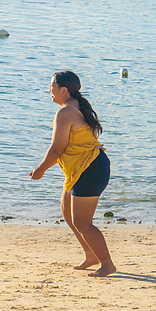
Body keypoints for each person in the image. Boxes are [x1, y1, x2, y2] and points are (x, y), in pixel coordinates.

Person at [29, 71, 116, 277]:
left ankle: (107, 264)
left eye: (52, 86)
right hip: (82, 168)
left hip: (90, 168)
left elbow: (57, 149)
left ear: (64, 89)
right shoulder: (74, 106)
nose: (49, 90)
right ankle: (91, 255)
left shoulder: (65, 112)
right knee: (67, 212)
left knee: (82, 222)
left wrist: (41, 169)